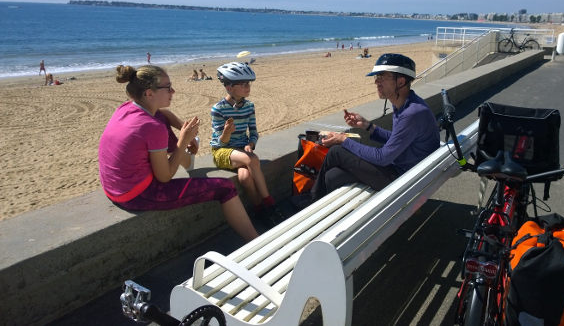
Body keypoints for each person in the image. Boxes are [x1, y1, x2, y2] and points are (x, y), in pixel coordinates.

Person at [98, 65, 258, 242]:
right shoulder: (152, 127)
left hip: (113, 187)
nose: (173, 91)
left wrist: (182, 127)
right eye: (167, 87)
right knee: (226, 188)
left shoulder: (127, 107)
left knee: (160, 119)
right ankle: (255, 242)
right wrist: (183, 140)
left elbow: (162, 113)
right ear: (149, 93)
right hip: (136, 194)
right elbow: (165, 177)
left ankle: (186, 160)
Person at [290, 54, 440, 210]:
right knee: (332, 176)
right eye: (376, 77)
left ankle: (312, 199)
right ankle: (321, 207)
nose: (376, 82)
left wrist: (343, 140)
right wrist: (367, 125)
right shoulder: (407, 104)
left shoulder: (411, 113)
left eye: (382, 77)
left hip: (403, 179)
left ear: (401, 81)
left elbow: (383, 157)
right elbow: (398, 140)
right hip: (409, 172)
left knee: (336, 151)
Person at [211, 62, 285, 227]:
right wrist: (226, 134)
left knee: (245, 178)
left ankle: (258, 210)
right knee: (251, 160)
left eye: (248, 83)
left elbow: (253, 132)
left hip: (242, 152)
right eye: (243, 84)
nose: (247, 87)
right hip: (222, 151)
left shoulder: (249, 106)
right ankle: (270, 204)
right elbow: (218, 142)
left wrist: (251, 143)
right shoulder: (218, 109)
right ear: (229, 87)